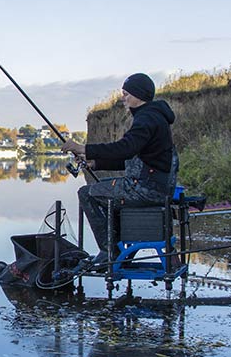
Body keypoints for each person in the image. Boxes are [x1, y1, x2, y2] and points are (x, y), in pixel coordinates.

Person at [60, 73, 177, 266]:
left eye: (126, 93)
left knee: (86, 193)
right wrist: (95, 164)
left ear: (139, 95)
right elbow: (133, 159)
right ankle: (116, 246)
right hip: (155, 185)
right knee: (103, 189)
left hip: (146, 189)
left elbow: (125, 148)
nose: (123, 97)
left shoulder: (147, 118)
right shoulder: (154, 116)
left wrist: (82, 148)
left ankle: (109, 251)